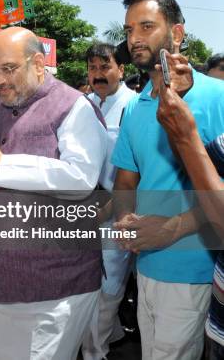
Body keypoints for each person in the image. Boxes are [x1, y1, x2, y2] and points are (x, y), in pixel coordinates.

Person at [0, 27, 107, 359]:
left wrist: (2, 165)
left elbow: (81, 179)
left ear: (39, 62)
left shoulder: (73, 106)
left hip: (53, 287)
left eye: (8, 69)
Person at [111, 0, 224, 359]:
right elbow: (126, 179)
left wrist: (172, 228)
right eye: (129, 30)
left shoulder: (217, 98)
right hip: (145, 266)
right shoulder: (136, 105)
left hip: (196, 270)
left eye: (146, 26)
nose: (135, 39)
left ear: (177, 33)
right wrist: (127, 220)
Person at [81, 42, 137, 360]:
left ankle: (96, 351)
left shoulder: (135, 104)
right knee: (88, 287)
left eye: (105, 67)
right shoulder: (82, 105)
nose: (98, 74)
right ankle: (106, 339)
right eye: (93, 68)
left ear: (121, 69)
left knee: (109, 286)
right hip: (84, 210)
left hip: (119, 210)